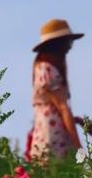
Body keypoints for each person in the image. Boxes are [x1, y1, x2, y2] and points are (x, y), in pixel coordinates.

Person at [29, 19, 84, 162]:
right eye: (67, 42)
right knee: (57, 173)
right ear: (57, 45)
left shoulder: (43, 69)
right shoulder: (47, 70)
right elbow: (62, 108)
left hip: (48, 131)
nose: (69, 47)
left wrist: (74, 120)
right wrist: (80, 148)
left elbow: (54, 106)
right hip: (52, 135)